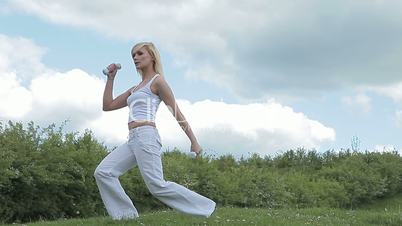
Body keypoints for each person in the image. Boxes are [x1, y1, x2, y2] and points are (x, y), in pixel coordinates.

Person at [93, 42, 216, 220]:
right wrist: (110, 79)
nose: (135, 57)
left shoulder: (157, 81)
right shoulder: (134, 89)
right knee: (103, 172)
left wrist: (194, 141)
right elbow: (108, 106)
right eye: (133, 55)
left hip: (147, 136)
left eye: (140, 53)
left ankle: (206, 208)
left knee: (157, 185)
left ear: (152, 56)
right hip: (133, 139)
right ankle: (126, 217)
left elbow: (176, 111)